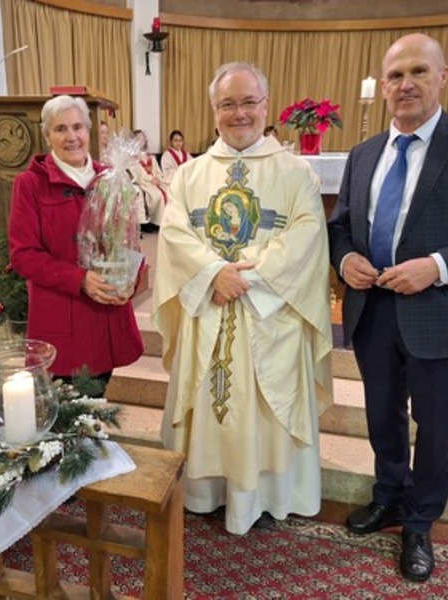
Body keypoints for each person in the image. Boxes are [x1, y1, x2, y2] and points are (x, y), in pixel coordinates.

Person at [152, 62, 333, 535]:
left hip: (269, 314)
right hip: (207, 307)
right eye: (227, 104)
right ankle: (206, 492)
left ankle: (268, 496)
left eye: (248, 102)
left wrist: (247, 279)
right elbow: (172, 233)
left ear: (266, 105)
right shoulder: (189, 175)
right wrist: (213, 273)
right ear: (213, 110)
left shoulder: (296, 173)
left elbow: (308, 235)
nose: (239, 113)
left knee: (265, 405)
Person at [328, 34, 448, 582]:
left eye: (418, 71)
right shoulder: (365, 153)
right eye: (395, 75)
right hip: (373, 310)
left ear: (443, 76)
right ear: (383, 85)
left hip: (439, 310)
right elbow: (341, 225)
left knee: (435, 426)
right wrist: (345, 261)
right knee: (381, 415)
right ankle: (389, 495)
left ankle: (420, 522)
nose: (406, 83)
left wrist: (435, 265)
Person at [8, 95, 144, 382]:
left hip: (106, 311)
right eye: (60, 129)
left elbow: (129, 240)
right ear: (47, 136)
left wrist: (131, 277)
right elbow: (23, 255)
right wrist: (78, 278)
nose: (71, 137)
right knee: (66, 408)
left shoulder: (111, 178)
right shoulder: (30, 183)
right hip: (62, 314)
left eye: (77, 127)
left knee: (99, 400)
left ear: (89, 130)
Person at [129, 129, 168, 232]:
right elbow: (139, 175)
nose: (140, 141)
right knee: (156, 195)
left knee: (168, 191)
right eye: (137, 139)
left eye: (142, 138)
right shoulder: (132, 158)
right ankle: (156, 221)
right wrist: (151, 179)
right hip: (145, 183)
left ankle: (166, 221)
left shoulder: (150, 156)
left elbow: (157, 171)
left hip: (155, 181)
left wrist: (158, 178)